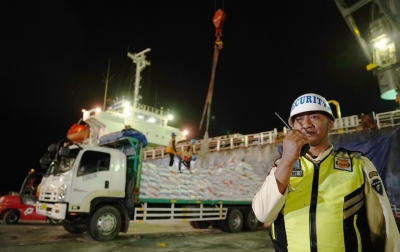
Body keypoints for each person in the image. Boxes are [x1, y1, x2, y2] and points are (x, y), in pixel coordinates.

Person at [252, 93, 400, 252]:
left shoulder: (359, 165)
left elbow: (384, 227)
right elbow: (263, 215)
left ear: (330, 123)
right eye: (299, 119)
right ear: (292, 126)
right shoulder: (281, 168)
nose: (306, 124)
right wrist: (287, 160)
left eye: (314, 116)